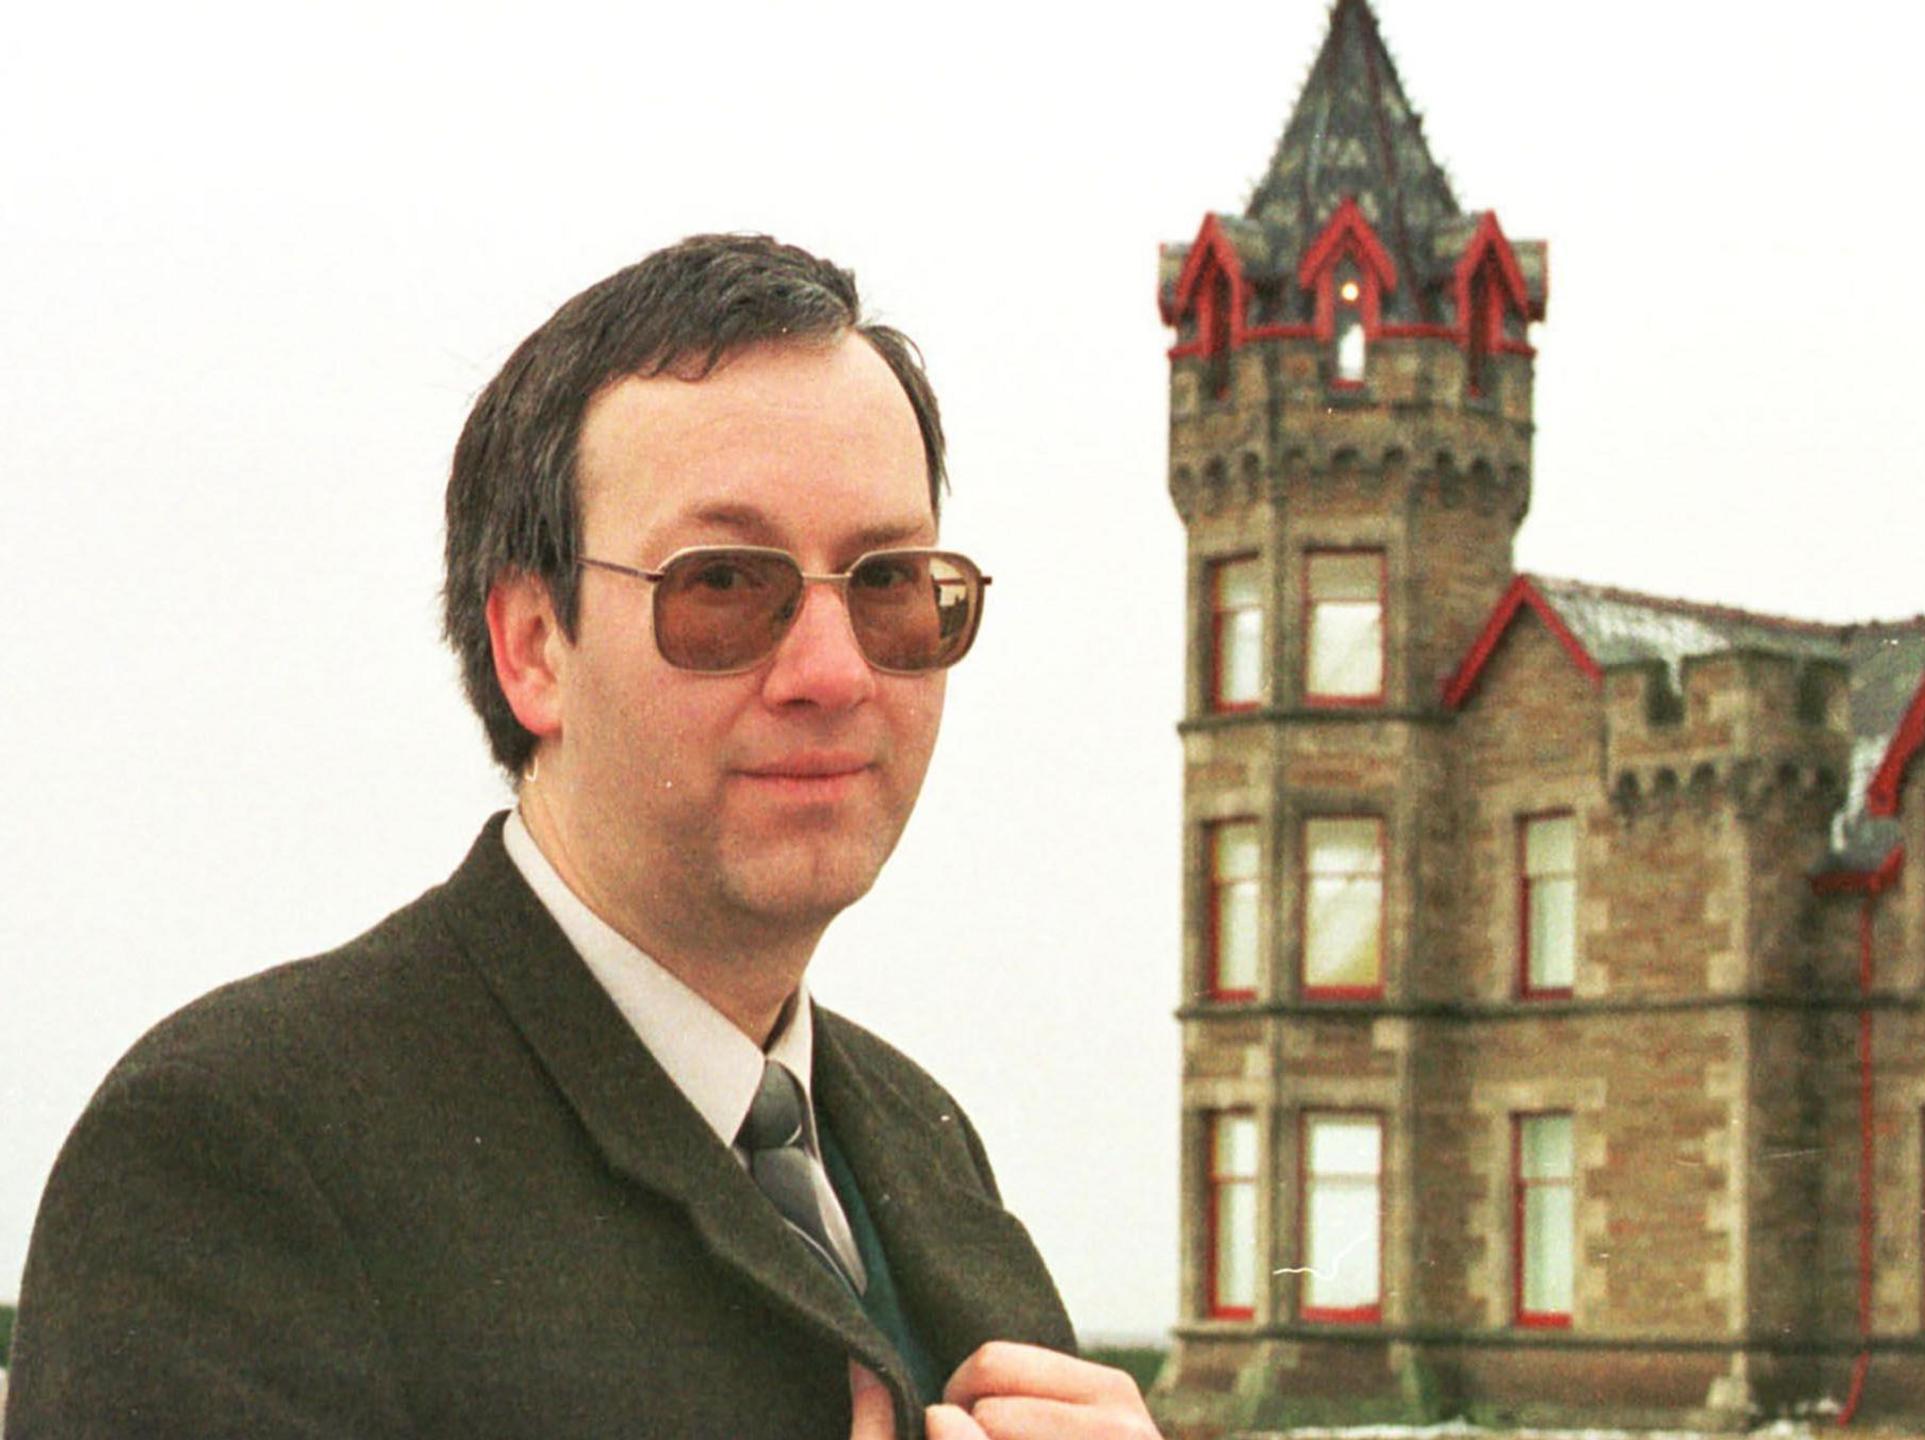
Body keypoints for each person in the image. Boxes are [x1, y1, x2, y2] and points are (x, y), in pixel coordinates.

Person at [7, 235, 1159, 1440]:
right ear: (533, 649)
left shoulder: (928, 1149)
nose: (832, 671)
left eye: (888, 583)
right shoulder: (239, 1154)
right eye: (722, 585)